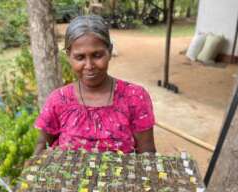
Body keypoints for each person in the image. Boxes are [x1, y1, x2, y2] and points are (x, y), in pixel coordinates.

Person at [33, 15, 156, 156]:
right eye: (80, 57)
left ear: (109, 51)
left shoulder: (134, 97)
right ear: (68, 56)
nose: (89, 66)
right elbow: (42, 143)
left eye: (97, 55)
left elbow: (148, 154)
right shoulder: (59, 99)